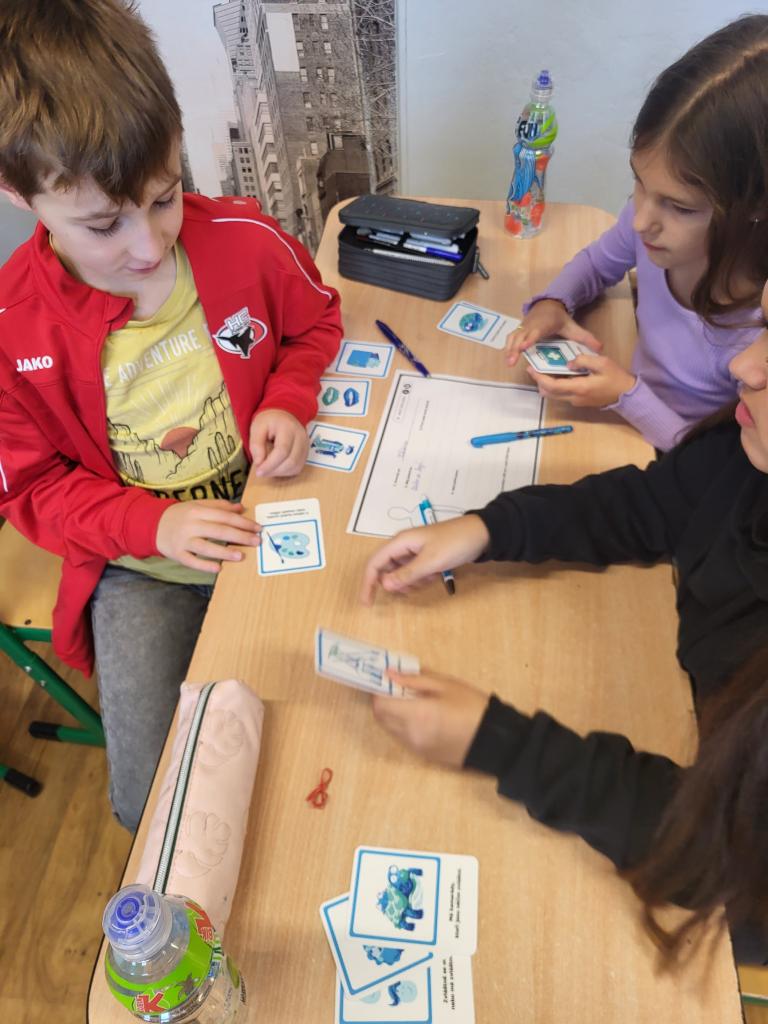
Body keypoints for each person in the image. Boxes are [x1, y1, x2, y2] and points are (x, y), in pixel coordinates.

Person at [0, 0, 342, 830]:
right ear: (18, 194)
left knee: (327, 738)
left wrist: (289, 399)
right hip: (141, 567)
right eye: (103, 225)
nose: (150, 247)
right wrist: (152, 527)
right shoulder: (14, 329)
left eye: (164, 197)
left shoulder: (247, 242)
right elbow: (34, 492)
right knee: (150, 807)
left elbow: (315, 324)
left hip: (275, 510)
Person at [359, 278, 768, 963]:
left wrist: (497, 742)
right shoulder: (744, 454)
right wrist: (487, 529)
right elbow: (646, 507)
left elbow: (727, 855)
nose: (742, 364)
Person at [507, 15, 768, 452]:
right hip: (626, 419)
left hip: (674, 459)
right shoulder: (654, 231)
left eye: (679, 207)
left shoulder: (755, 338)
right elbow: (596, 264)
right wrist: (554, 302)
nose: (640, 220)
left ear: (756, 206)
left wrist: (626, 396)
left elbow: (713, 462)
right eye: (639, 183)